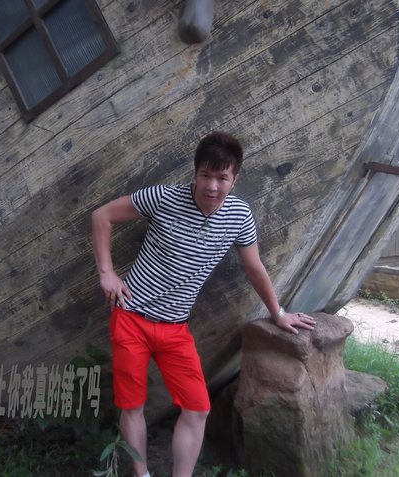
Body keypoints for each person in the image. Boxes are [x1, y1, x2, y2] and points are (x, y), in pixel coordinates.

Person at [91, 131, 315, 477]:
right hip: (131, 316)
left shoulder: (239, 216)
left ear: (234, 179)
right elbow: (102, 216)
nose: (212, 186)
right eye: (205, 175)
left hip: (175, 328)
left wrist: (278, 313)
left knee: (197, 409)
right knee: (132, 406)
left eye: (222, 178)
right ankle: (142, 474)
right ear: (195, 173)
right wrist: (106, 272)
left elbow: (254, 268)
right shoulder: (163, 197)